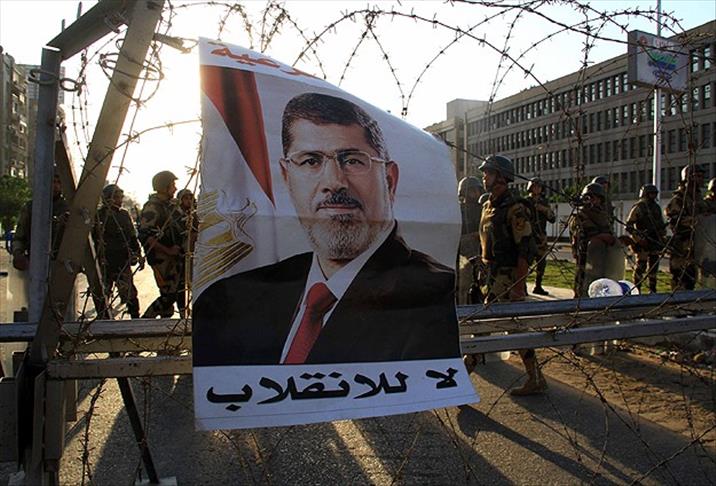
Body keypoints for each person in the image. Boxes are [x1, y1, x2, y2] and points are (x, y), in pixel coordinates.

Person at [193, 92, 459, 366]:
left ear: (389, 181)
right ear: (286, 177)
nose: (334, 182)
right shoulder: (234, 298)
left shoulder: (430, 296)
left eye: (353, 160)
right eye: (311, 161)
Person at [463, 154, 545, 396]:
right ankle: (536, 378)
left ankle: (459, 381)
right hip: (491, 275)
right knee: (515, 328)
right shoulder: (488, 205)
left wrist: (519, 285)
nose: (484, 177)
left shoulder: (515, 208)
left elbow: (525, 248)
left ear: (501, 177)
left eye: (488, 173)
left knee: (484, 327)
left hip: (507, 278)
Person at [139, 171, 185, 318]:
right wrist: (168, 250)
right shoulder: (153, 207)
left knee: (177, 292)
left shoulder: (171, 206)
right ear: (164, 187)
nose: (175, 188)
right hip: (162, 258)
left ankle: (164, 322)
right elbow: (145, 235)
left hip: (177, 257)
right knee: (168, 295)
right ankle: (145, 321)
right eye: (172, 185)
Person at [94, 184, 143, 318]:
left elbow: (131, 236)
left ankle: (135, 318)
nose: (119, 200)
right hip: (105, 261)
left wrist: (138, 254)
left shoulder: (123, 215)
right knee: (103, 293)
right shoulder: (98, 216)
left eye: (120, 197)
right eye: (116, 197)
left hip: (122, 260)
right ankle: (104, 319)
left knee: (129, 293)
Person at [12, 173, 68, 271]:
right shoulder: (31, 207)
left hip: (61, 265)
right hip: (35, 263)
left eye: (58, 182)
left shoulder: (67, 208)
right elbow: (20, 236)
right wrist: (17, 253)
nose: (55, 186)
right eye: (53, 182)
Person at [665, 165, 707, 291]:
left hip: (696, 244)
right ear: (688, 178)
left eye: (701, 176)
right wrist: (696, 220)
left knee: (691, 278)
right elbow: (674, 220)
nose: (701, 179)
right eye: (698, 176)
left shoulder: (698, 197)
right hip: (682, 246)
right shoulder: (679, 199)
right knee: (681, 279)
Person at [570, 182, 616, 298]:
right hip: (585, 253)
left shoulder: (602, 215)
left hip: (601, 254)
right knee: (583, 280)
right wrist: (603, 237)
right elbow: (587, 234)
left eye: (596, 198)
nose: (593, 201)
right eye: (589, 198)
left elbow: (609, 231)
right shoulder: (580, 215)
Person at [625, 184, 666, 294]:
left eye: (654, 194)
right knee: (641, 266)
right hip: (642, 241)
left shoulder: (656, 207)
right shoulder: (639, 207)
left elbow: (660, 224)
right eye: (651, 193)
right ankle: (637, 289)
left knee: (654, 267)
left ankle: (652, 289)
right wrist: (638, 239)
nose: (653, 196)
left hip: (654, 240)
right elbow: (629, 225)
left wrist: (662, 235)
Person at [458, 176, 484, 304]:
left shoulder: (483, 209)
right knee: (463, 286)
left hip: (480, 251)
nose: (476, 193)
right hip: (464, 253)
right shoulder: (458, 210)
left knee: (481, 284)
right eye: (472, 190)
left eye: (477, 190)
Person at [527, 178, 556, 295]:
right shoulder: (526, 202)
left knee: (541, 263)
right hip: (529, 236)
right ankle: (522, 286)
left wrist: (544, 210)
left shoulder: (544, 203)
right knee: (526, 262)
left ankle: (538, 286)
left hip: (541, 237)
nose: (537, 189)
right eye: (535, 186)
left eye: (539, 187)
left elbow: (552, 219)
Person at [175, 188, 198, 316]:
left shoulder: (196, 214)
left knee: (194, 283)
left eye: (190, 198)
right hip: (179, 255)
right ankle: (182, 311)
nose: (189, 201)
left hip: (193, 254)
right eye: (185, 198)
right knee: (180, 285)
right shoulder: (176, 215)